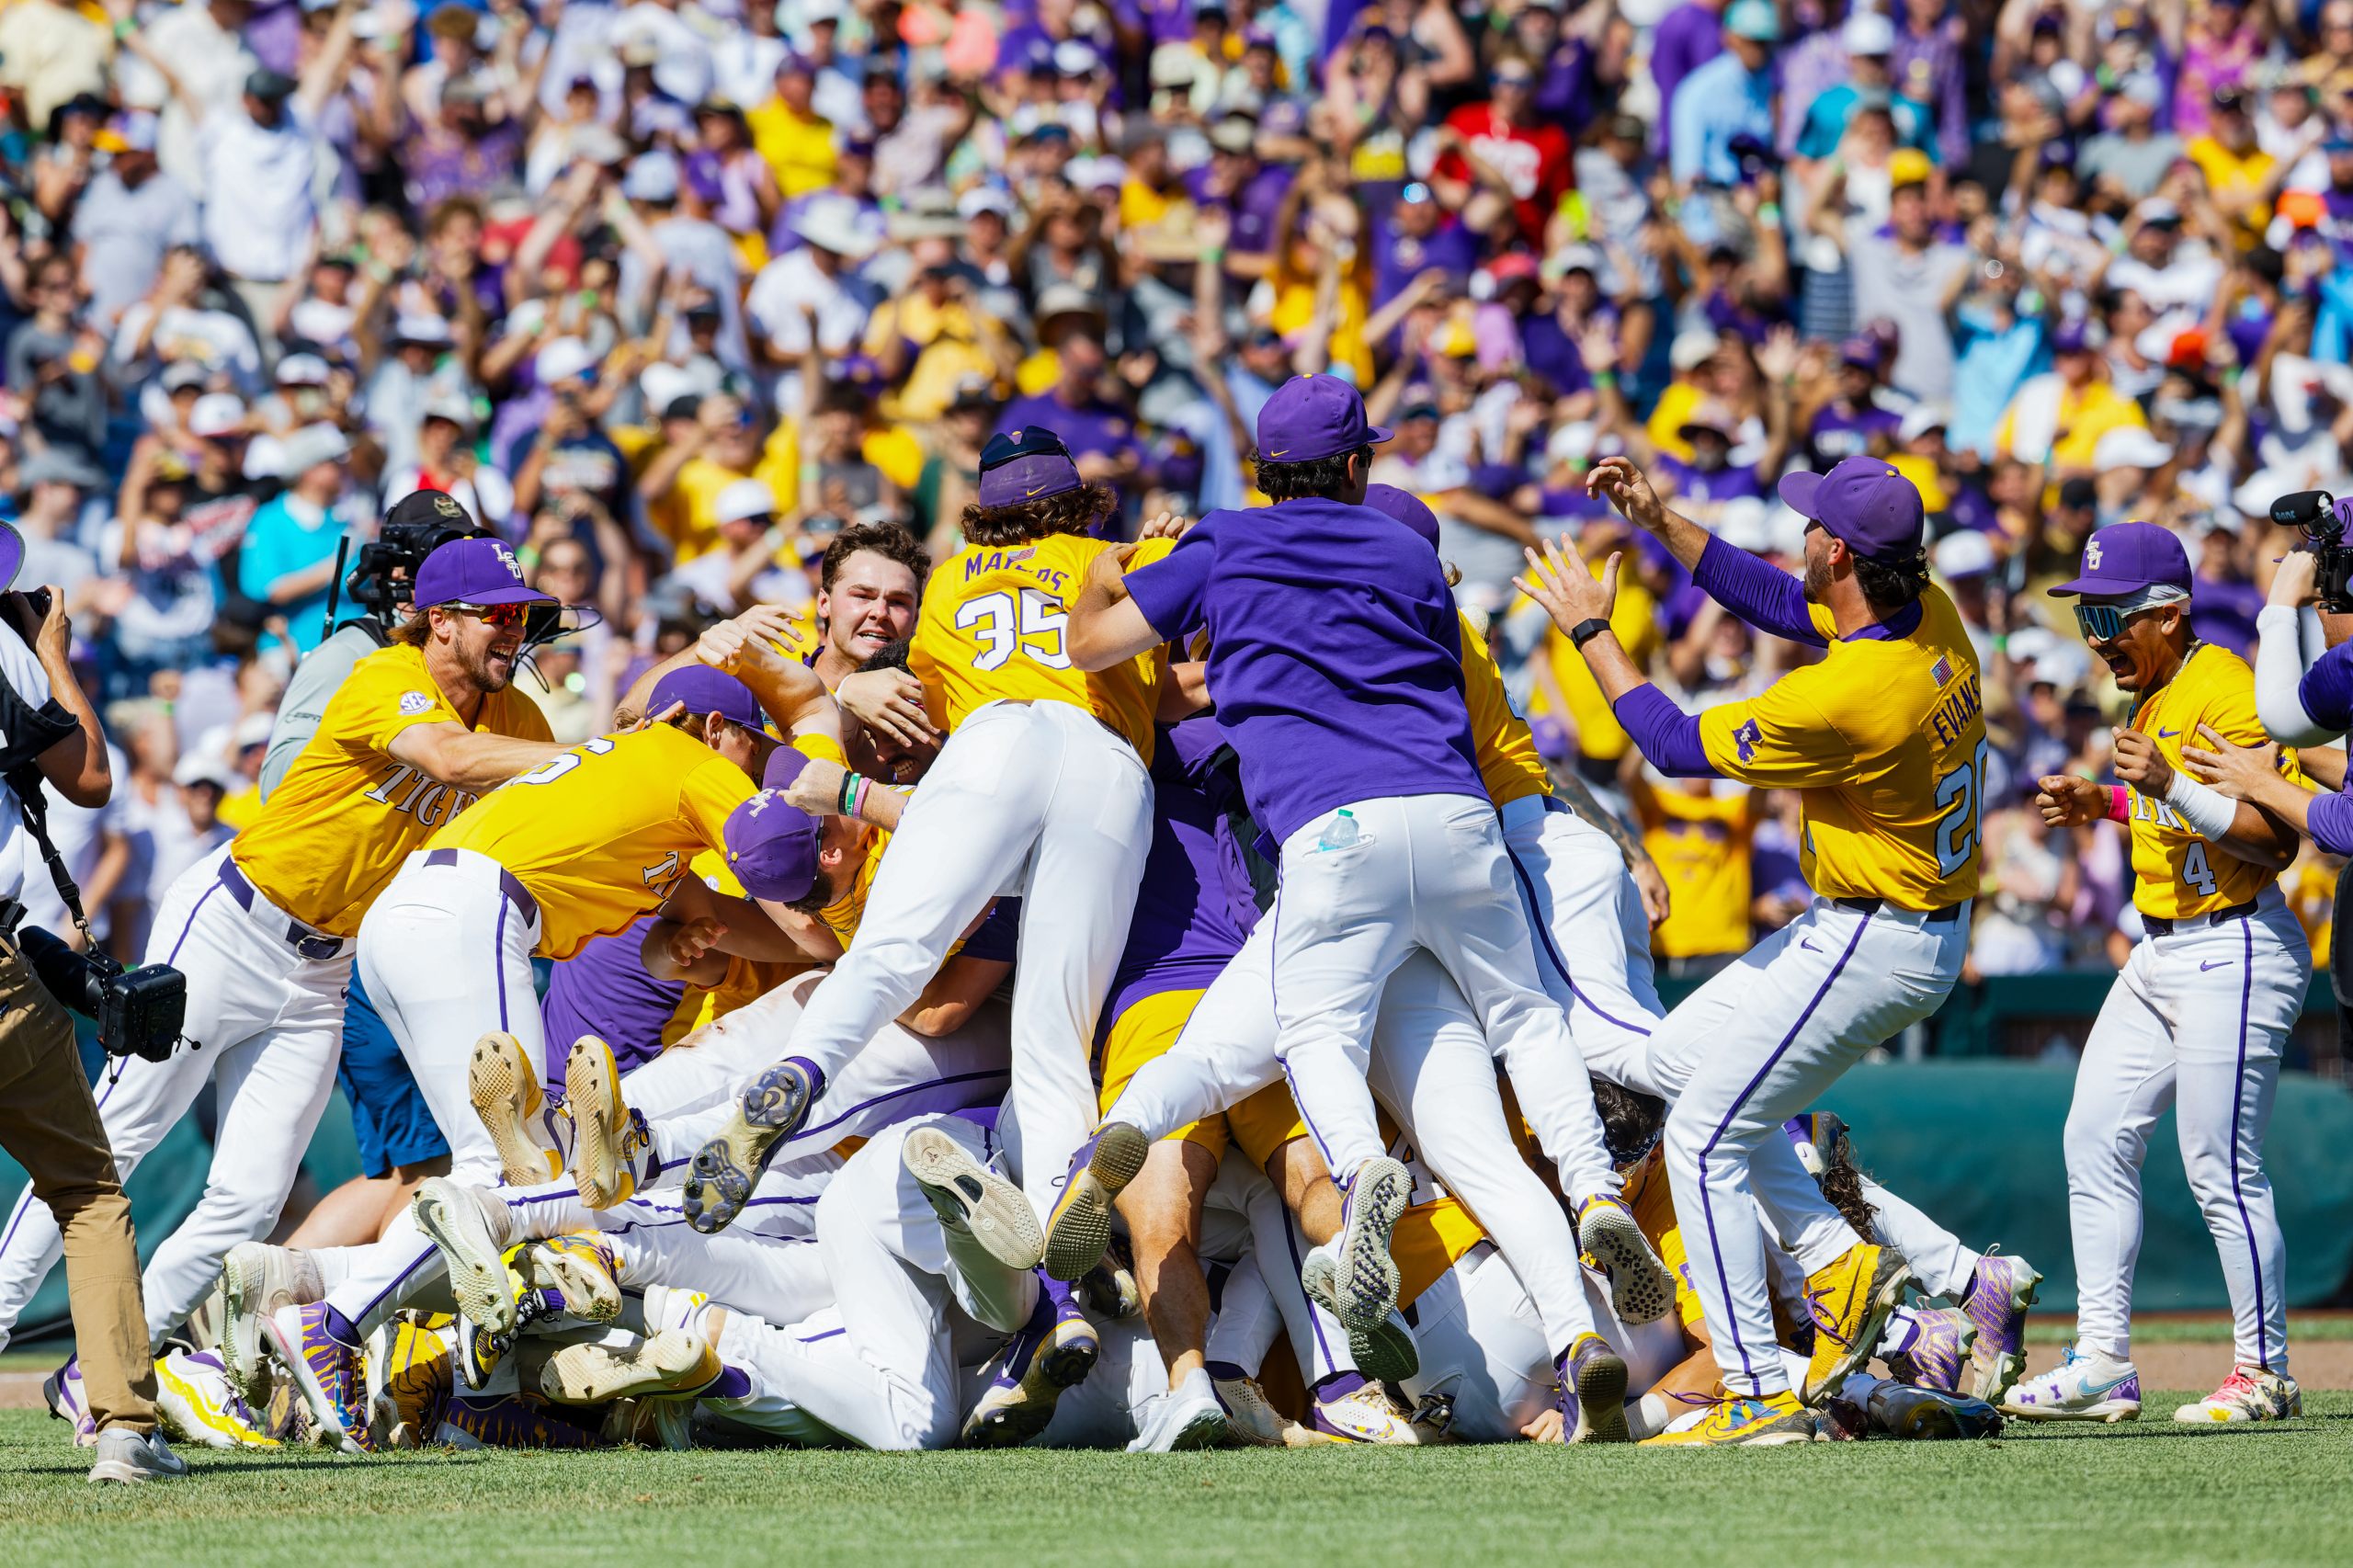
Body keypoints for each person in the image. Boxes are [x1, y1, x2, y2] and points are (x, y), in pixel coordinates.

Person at [1055, 376, 1661, 1381]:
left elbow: (1097, 648)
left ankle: (1307, 1164)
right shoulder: (1408, 555)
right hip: (1458, 828)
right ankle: (1584, 1278)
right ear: (1354, 466)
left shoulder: (1223, 542)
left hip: (1335, 851)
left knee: (1281, 1040)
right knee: (1524, 1041)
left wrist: (1108, 575)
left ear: (1258, 472)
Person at [0, 536, 565, 1400]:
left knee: (251, 1197)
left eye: (523, 613)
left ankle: (104, 1368)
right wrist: (597, 751)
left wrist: (624, 753)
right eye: (495, 612)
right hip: (231, 924)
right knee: (110, 1142)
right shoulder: (388, 674)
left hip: (323, 971)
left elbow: (552, 797)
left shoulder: (519, 720)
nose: (514, 628)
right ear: (439, 621)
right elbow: (448, 761)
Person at [1518, 451, 1981, 1445]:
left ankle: (1757, 1387)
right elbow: (1780, 599)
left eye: (1813, 525)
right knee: (1670, 1070)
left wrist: (1590, 630)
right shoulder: (1925, 608)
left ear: (1842, 551)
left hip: (1876, 935)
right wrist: (1660, 519)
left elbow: (1674, 744)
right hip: (1878, 919)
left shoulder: (1855, 692)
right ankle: (1854, 1268)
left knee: (1703, 1137)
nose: (1799, 534)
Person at [683, 426, 1160, 1244]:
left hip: (997, 738)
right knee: (1052, 1034)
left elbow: (933, 719)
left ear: (987, 511)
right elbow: (1182, 685)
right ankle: (1059, 1258)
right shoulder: (1120, 557)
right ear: (1079, 498)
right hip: (1106, 763)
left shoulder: (942, 594)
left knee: (887, 956)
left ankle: (802, 1071)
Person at [2017, 522, 2308, 1425]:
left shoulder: (2226, 687)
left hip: (2236, 944)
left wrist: (2168, 784)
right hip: (2160, 947)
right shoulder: (2151, 693)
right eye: (2088, 615)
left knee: (2219, 1164)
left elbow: (2278, 840)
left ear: (2171, 615)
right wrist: (2103, 800)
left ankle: (2263, 1370)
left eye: (2110, 613)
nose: (2097, 634)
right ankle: (2103, 1357)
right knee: (2092, 1133)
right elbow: (2167, 808)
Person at [0, 544, 184, 1483]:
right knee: (87, 1190)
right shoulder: (9, 652)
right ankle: (122, 1428)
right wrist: (53, 651)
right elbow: (91, 778)